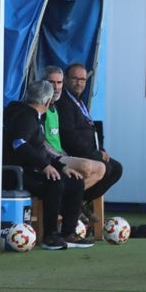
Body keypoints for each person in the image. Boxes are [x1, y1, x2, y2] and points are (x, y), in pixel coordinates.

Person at [3, 81, 92, 250]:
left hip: (31, 169)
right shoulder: (25, 117)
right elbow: (19, 144)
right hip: (17, 173)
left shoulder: (33, 116)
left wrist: (61, 166)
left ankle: (68, 233)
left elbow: (39, 150)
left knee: (75, 181)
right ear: (48, 102)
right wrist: (45, 166)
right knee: (55, 184)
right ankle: (50, 236)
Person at [56, 63, 124, 203]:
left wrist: (101, 149)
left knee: (117, 168)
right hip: (73, 153)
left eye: (82, 80)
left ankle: (82, 202)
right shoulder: (64, 102)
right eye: (75, 79)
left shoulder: (79, 101)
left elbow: (90, 130)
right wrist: (96, 154)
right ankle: (72, 203)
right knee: (107, 168)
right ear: (66, 80)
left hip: (90, 150)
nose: (79, 83)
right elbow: (69, 137)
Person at [40, 66, 107, 195]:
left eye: (59, 83)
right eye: (51, 82)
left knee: (102, 168)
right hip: (50, 158)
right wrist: (60, 159)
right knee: (89, 167)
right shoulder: (40, 107)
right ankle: (68, 202)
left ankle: (72, 203)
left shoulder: (55, 107)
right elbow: (40, 142)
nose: (55, 87)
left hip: (60, 155)